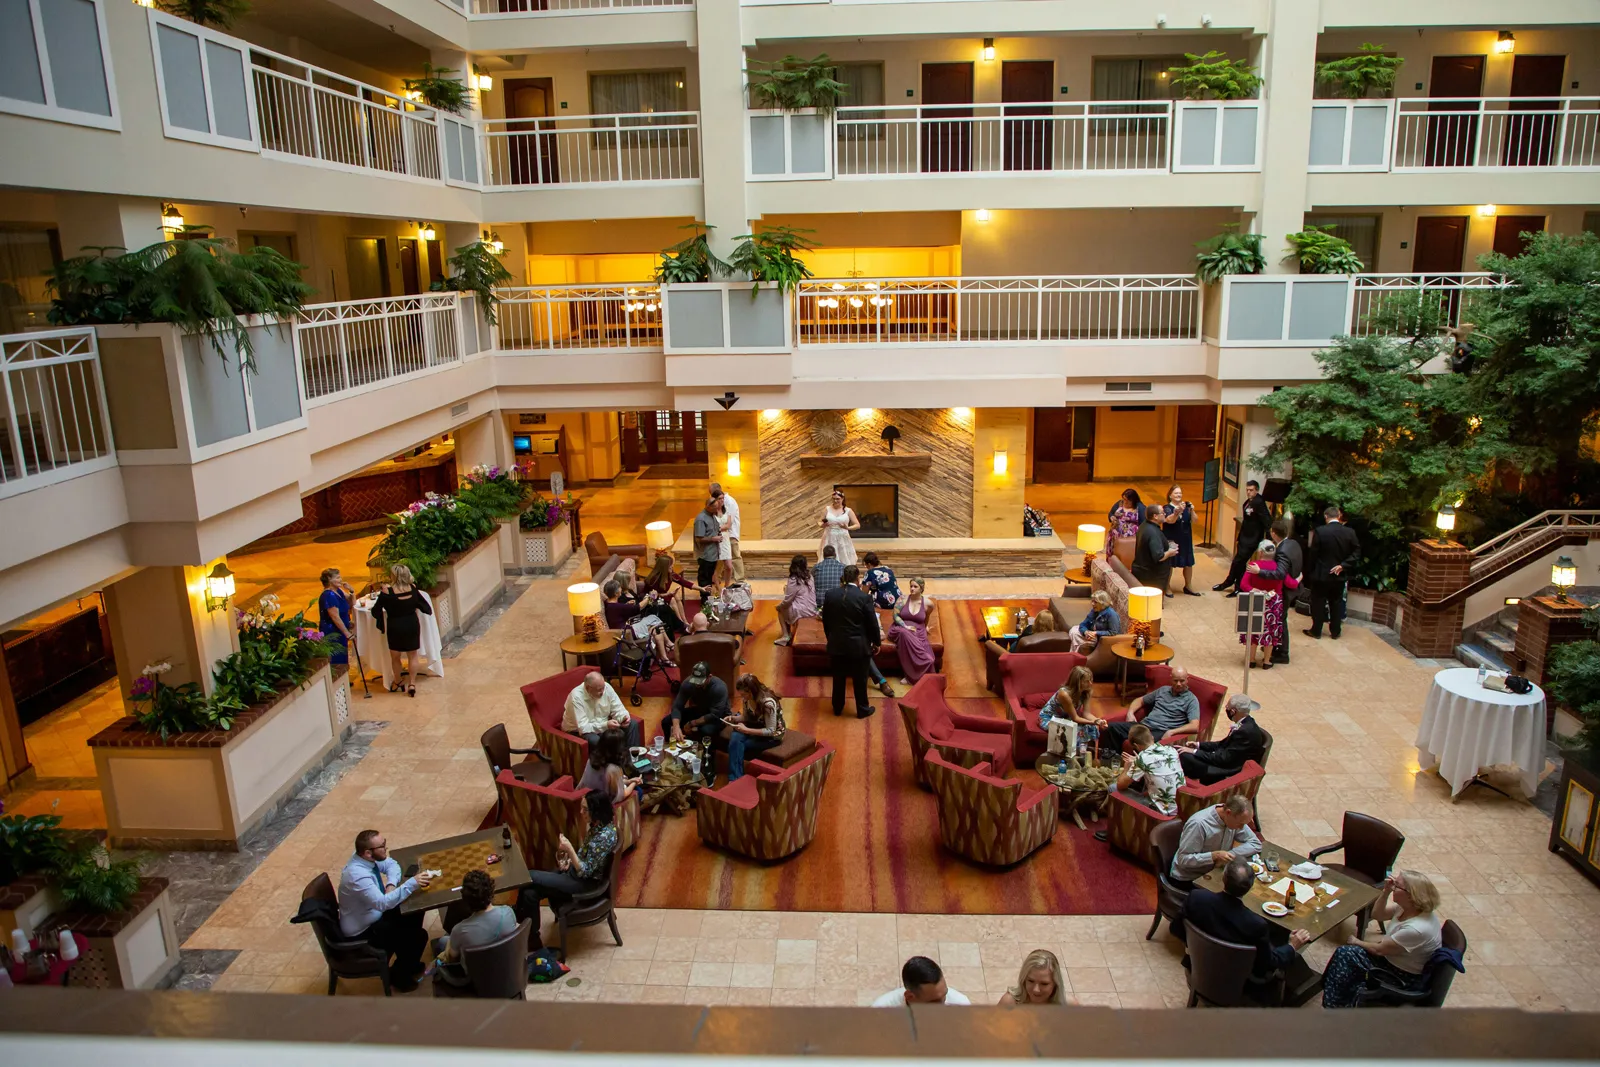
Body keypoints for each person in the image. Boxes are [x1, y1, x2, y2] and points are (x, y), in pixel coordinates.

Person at [1182, 860, 1311, 999]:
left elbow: (1177, 928)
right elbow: (1268, 965)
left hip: (1197, 967)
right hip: (1239, 983)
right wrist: (1292, 946)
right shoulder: (1256, 925)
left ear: (1223, 878)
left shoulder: (1196, 898)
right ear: (1250, 886)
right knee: (1279, 938)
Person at [1322, 870, 1445, 1008]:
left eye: (1396, 886)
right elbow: (1378, 915)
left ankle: (1335, 1005)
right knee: (1344, 956)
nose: (1393, 887)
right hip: (1393, 959)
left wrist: (1357, 941)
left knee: (1344, 955)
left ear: (1411, 896)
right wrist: (1386, 891)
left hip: (1400, 975)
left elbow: (1379, 950)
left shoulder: (1416, 929)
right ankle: (1336, 997)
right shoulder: (1409, 908)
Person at [338, 829, 432, 990]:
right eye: (382, 846)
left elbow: (392, 865)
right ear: (368, 853)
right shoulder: (357, 876)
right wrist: (412, 883)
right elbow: (382, 904)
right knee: (418, 936)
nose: (386, 849)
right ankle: (400, 976)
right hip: (365, 932)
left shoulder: (365, 858)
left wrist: (391, 884)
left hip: (375, 914)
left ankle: (408, 960)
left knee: (415, 910)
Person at [514, 792, 618, 932]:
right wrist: (569, 861)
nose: (581, 812)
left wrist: (569, 849)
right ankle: (533, 936)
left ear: (597, 811)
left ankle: (516, 914)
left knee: (529, 875)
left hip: (585, 884)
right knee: (529, 893)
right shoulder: (600, 825)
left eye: (585, 809)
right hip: (575, 874)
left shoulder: (603, 837)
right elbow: (587, 856)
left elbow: (585, 872)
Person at [434, 868, 519, 988]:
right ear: (491, 892)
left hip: (477, 979)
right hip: (506, 969)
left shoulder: (459, 930)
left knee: (443, 941)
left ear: (465, 900)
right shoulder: (507, 912)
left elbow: (453, 959)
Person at [821, 564, 880, 719]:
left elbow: (826, 621)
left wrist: (830, 638)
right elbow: (872, 623)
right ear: (857, 579)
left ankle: (837, 707)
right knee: (860, 679)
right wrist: (876, 642)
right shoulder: (864, 597)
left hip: (837, 644)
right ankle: (862, 709)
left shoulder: (830, 595)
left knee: (838, 678)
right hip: (859, 646)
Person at [1101, 666, 1201, 754]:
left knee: (1141, 741)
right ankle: (1110, 760)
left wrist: (1172, 732)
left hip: (1160, 731)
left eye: (1182, 681)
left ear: (1187, 680)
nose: (1178, 684)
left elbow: (1194, 726)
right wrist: (1130, 713)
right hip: (1144, 725)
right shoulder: (1163, 690)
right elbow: (1140, 700)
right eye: (1175, 681)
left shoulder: (1191, 700)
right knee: (1111, 728)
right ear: (1171, 679)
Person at [1170, 796, 1262, 890]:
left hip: (1213, 873)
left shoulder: (1234, 819)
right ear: (1228, 812)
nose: (1242, 828)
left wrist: (1230, 854)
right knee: (1232, 895)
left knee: (1246, 885)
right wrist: (1214, 856)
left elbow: (1255, 843)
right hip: (1188, 878)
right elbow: (1183, 860)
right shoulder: (1199, 824)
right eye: (1240, 824)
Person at [371, 564, 432, 696]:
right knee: (413, 655)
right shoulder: (413, 588)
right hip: (411, 624)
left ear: (393, 576)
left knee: (395, 657)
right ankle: (412, 683)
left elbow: (375, 611)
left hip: (395, 626)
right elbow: (424, 606)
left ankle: (398, 681)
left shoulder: (387, 592)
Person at [1176, 694, 1265, 784]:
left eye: (1227, 707)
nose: (1226, 709)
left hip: (1228, 768)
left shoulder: (1244, 732)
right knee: (1186, 754)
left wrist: (1194, 752)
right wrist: (1199, 745)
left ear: (1233, 711)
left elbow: (1223, 758)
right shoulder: (1247, 723)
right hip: (1226, 758)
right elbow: (1222, 744)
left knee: (1185, 756)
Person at [1249, 518, 1303, 665]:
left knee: (1280, 621)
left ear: (1273, 533)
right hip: (1293, 587)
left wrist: (1259, 572)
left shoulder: (1282, 551)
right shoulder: (1294, 544)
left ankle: (1282, 652)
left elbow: (1280, 573)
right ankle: (1274, 647)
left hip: (1284, 591)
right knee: (1280, 620)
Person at [1304, 505, 1360, 641]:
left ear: (1326, 516)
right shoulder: (1349, 532)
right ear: (1339, 516)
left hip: (1321, 574)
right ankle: (1335, 631)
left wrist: (1309, 572)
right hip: (1339, 574)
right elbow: (1356, 552)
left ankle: (1316, 630)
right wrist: (1343, 565)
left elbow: (1313, 554)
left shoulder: (1320, 531)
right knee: (1336, 602)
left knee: (1318, 602)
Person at [1239, 540, 1296, 670]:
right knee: (1270, 631)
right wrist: (1299, 579)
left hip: (1256, 601)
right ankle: (1266, 661)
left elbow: (1243, 584)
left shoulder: (1253, 565)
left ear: (1260, 552)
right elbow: (1291, 583)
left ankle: (1251, 659)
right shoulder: (1278, 568)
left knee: (1253, 629)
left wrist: (1255, 590)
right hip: (1274, 604)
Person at [1112, 723, 1184, 816]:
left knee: (1112, 788)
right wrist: (1137, 762)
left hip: (1161, 811)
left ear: (1136, 745)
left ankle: (1118, 821)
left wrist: (1127, 767)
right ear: (1152, 738)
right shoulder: (1171, 750)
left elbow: (1120, 785)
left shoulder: (1142, 758)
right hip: (1180, 807)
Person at [601, 580, 676, 668]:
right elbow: (638, 608)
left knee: (656, 629)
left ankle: (664, 656)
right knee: (654, 618)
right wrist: (651, 596)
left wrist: (626, 605)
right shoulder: (617, 607)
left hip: (626, 629)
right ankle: (668, 645)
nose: (621, 589)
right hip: (628, 632)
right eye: (619, 588)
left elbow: (618, 612)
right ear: (616, 593)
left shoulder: (608, 603)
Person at [1216, 480, 1272, 595]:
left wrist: (1268, 537)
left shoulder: (1259, 502)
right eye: (1247, 490)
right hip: (1244, 537)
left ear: (1256, 490)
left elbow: (1267, 521)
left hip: (1252, 539)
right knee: (1239, 562)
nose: (1248, 492)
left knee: (1239, 562)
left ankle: (1233, 583)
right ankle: (1235, 584)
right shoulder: (1249, 501)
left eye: (1251, 490)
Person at [726, 674, 786, 781]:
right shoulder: (747, 699)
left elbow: (771, 731)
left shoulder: (767, 703)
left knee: (741, 745)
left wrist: (746, 730)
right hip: (754, 725)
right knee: (735, 739)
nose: (742, 697)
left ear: (751, 692)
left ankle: (736, 778)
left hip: (771, 736)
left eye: (743, 694)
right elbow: (746, 717)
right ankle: (735, 778)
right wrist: (734, 718)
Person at [562, 671, 642, 749]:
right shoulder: (576, 697)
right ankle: (613, 758)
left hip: (602, 725)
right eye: (599, 690)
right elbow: (583, 728)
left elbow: (618, 708)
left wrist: (623, 718)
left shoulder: (606, 687)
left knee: (632, 724)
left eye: (603, 688)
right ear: (587, 688)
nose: (603, 692)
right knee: (596, 740)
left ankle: (633, 757)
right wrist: (605, 725)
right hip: (578, 731)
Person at [1038, 665, 1106, 750]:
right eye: (1086, 681)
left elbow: (1086, 713)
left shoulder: (1086, 692)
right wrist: (1094, 722)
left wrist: (1098, 721)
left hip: (1066, 718)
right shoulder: (1064, 694)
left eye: (1091, 680)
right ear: (1078, 682)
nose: (1090, 683)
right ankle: (1075, 754)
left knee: (1092, 727)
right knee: (1075, 731)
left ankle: (1089, 752)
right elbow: (1075, 718)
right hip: (1050, 718)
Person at [668, 661, 729, 746]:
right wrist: (676, 727)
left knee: (706, 730)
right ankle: (671, 748)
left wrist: (692, 723)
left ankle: (706, 752)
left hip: (718, 716)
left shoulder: (719, 688)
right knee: (667, 721)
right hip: (700, 710)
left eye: (700, 681)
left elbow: (715, 715)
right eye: (695, 680)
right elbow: (677, 706)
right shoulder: (688, 683)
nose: (697, 684)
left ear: (709, 677)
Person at [888, 577, 936, 684]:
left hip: (917, 630)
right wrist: (905, 626)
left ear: (921, 588)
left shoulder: (928, 604)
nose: (912, 589)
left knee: (930, 659)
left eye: (915, 586)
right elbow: (895, 616)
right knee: (904, 633)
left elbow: (926, 618)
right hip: (900, 628)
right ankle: (910, 675)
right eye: (911, 586)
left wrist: (925, 627)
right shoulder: (902, 599)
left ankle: (921, 671)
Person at [872, 956, 971, 1006]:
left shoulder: (961, 1006)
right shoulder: (880, 1013)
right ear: (909, 997)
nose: (943, 1005)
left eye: (945, 994)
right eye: (934, 1001)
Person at [577, 727, 640, 805]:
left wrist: (629, 781)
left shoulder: (591, 759)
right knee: (639, 791)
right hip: (599, 806)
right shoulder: (612, 769)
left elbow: (606, 783)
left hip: (584, 799)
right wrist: (634, 783)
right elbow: (622, 795)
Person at [998, 948, 1073, 1005]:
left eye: (1044, 984)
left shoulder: (1069, 1006)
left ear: (1055, 984)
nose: (1036, 990)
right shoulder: (1009, 1003)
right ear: (1024, 979)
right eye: (1031, 981)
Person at [1163, 485, 1202, 596]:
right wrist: (1177, 512)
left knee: (1189, 563)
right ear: (1170, 495)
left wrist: (1192, 510)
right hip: (1172, 539)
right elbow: (1169, 520)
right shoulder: (1167, 508)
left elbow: (1195, 520)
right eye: (1176, 493)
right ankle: (1167, 586)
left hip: (1185, 539)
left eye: (1180, 493)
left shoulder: (1186, 507)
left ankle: (1188, 585)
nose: (1179, 495)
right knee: (1170, 563)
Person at [1132, 504, 1178, 595]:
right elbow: (1159, 557)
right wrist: (1170, 552)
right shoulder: (1153, 532)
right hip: (1152, 577)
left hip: (1142, 571)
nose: (1165, 514)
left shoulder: (1144, 525)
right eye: (1162, 513)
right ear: (1155, 516)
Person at [775, 554, 818, 647]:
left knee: (781, 610)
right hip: (812, 608)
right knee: (785, 606)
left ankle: (786, 635)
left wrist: (779, 606)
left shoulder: (794, 579)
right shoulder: (810, 576)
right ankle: (788, 634)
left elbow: (788, 600)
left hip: (802, 610)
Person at [317, 567, 355, 666]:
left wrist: (352, 591)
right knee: (336, 659)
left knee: (343, 657)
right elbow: (335, 617)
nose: (340, 580)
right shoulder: (329, 595)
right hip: (333, 632)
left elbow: (351, 604)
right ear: (329, 580)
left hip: (340, 631)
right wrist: (347, 633)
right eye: (337, 578)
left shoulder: (338, 591)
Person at [1069, 591, 1120, 655]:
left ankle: (1074, 654)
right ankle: (1074, 654)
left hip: (1101, 639)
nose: (1092, 604)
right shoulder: (1094, 610)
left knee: (1076, 637)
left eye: (1095, 602)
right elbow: (1083, 624)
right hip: (1091, 635)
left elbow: (1113, 632)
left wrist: (1096, 633)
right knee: (1073, 630)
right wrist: (1086, 632)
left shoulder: (1111, 614)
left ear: (1102, 603)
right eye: (1092, 601)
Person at [711, 481, 744, 583]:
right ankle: (716, 578)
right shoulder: (716, 503)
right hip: (722, 535)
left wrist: (714, 529)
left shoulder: (729, 502)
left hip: (731, 534)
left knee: (735, 556)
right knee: (721, 557)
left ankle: (740, 580)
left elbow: (729, 521)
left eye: (711, 493)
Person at [819, 488, 860, 566]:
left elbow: (857, 525)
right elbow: (819, 521)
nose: (835, 501)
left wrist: (848, 528)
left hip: (843, 537)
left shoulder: (848, 510)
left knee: (843, 557)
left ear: (842, 499)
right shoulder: (827, 509)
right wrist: (822, 525)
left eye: (838, 499)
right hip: (829, 536)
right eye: (834, 499)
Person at [692, 496, 723, 591]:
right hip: (705, 555)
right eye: (715, 508)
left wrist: (718, 535)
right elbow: (699, 539)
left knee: (710, 577)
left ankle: (708, 596)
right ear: (708, 506)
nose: (717, 509)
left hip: (713, 554)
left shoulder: (712, 515)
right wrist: (713, 539)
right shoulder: (701, 519)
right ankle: (704, 597)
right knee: (704, 579)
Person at [1106, 489, 1144, 565]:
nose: (1125, 502)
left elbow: (1143, 523)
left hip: (1130, 538)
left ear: (1133, 500)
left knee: (1125, 556)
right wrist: (1111, 517)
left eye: (1127, 500)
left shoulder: (1140, 508)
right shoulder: (1119, 503)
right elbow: (1111, 513)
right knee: (1114, 554)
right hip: (1115, 536)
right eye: (1124, 499)